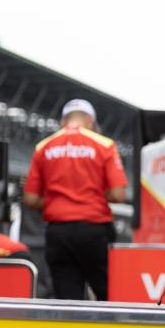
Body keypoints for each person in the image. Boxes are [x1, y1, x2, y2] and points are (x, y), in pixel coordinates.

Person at [22, 99, 127, 300]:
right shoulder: (104, 144)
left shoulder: (43, 147)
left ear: (63, 122)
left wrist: (57, 199)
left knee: (67, 301)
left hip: (58, 233)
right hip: (94, 230)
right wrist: (94, 193)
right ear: (91, 121)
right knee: (110, 296)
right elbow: (118, 194)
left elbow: (31, 199)